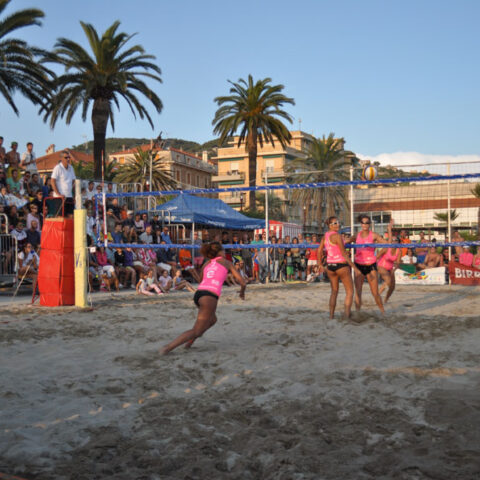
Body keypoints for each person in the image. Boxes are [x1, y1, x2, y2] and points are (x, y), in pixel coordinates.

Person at [161, 241, 246, 355]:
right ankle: (167, 348)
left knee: (212, 320)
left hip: (199, 294)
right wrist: (242, 292)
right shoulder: (227, 263)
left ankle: (189, 344)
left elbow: (201, 281)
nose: (225, 253)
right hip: (209, 297)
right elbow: (243, 282)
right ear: (220, 252)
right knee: (197, 330)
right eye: (224, 251)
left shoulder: (206, 264)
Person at [318, 216, 360, 319]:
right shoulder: (337, 236)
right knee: (350, 291)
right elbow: (344, 254)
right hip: (341, 265)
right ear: (330, 225)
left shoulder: (325, 236)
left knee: (334, 292)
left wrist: (320, 264)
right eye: (335, 223)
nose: (338, 224)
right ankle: (346, 316)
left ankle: (331, 316)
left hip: (330, 266)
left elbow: (319, 250)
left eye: (338, 222)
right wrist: (355, 268)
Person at [353, 214, 385, 314]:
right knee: (358, 291)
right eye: (363, 222)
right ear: (361, 224)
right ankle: (358, 313)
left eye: (367, 222)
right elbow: (345, 242)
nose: (365, 224)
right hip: (358, 265)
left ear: (370, 224)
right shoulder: (356, 235)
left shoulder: (374, 235)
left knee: (375, 292)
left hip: (370, 265)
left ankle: (383, 312)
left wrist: (378, 256)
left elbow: (387, 245)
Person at [377, 220, 401, 304]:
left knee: (392, 287)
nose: (394, 242)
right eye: (393, 240)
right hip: (381, 266)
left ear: (398, 242)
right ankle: (378, 295)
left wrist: (393, 271)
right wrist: (389, 227)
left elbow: (397, 263)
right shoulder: (387, 247)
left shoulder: (398, 250)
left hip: (390, 268)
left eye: (396, 241)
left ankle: (386, 299)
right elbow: (377, 256)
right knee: (388, 281)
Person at [50, 150, 76, 217]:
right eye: (66, 157)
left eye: (68, 157)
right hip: (60, 197)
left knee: (71, 216)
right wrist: (58, 194)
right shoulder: (58, 168)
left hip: (69, 196)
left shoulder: (71, 167)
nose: (68, 159)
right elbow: (52, 181)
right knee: (61, 216)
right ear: (61, 158)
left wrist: (74, 195)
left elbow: (73, 182)